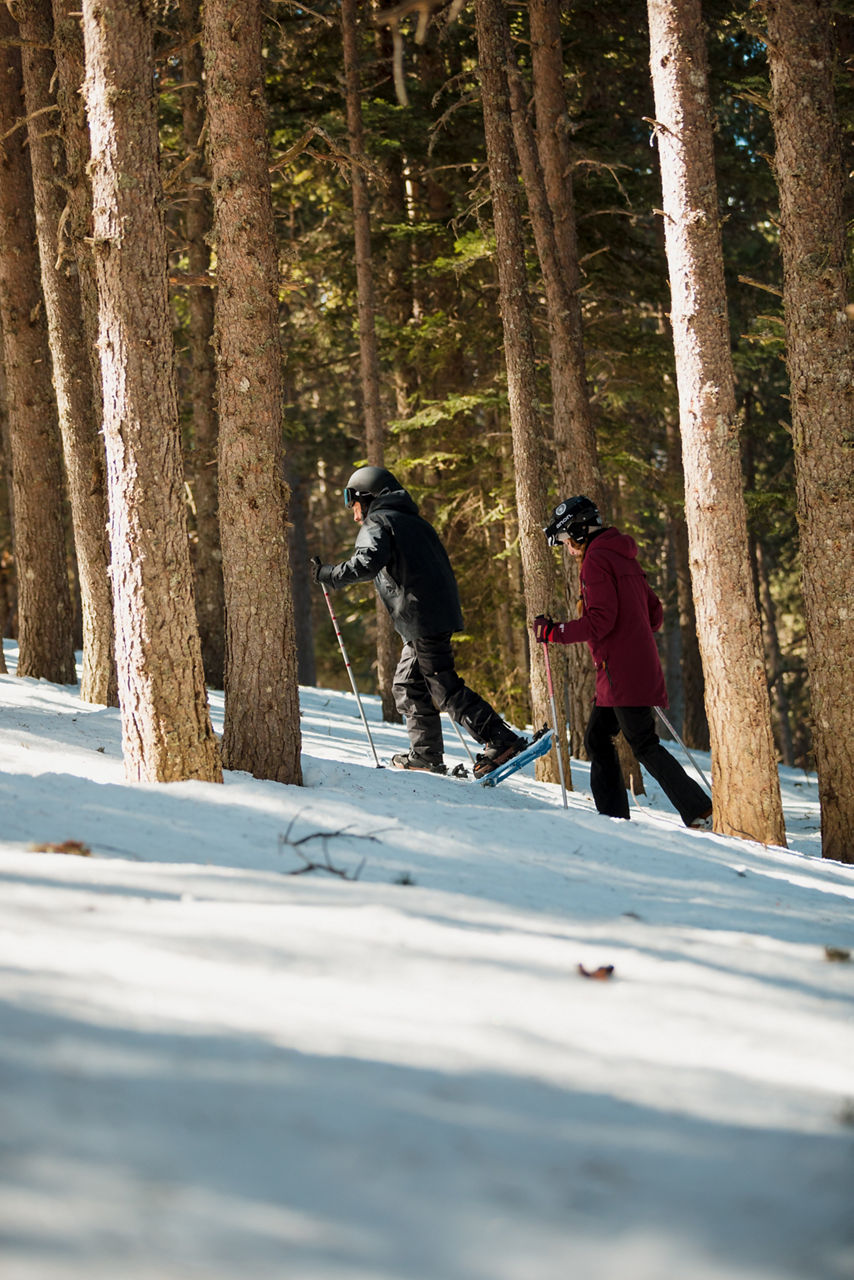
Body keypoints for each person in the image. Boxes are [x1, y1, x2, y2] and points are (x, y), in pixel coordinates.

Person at [311, 466, 527, 778]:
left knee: (443, 686)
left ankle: (500, 739)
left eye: (354, 505)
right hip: (431, 614)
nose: (355, 516)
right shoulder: (414, 521)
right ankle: (425, 755)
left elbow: (367, 562)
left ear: (368, 497)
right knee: (408, 684)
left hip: (422, 615)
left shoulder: (379, 520)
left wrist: (330, 574)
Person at [533, 495, 712, 829]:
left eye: (567, 541)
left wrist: (554, 633)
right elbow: (654, 615)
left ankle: (698, 809)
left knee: (642, 744)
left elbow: (600, 621)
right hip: (626, 668)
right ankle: (615, 817)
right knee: (598, 738)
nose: (568, 549)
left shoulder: (596, 560)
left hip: (621, 672)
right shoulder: (621, 555)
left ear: (579, 530)